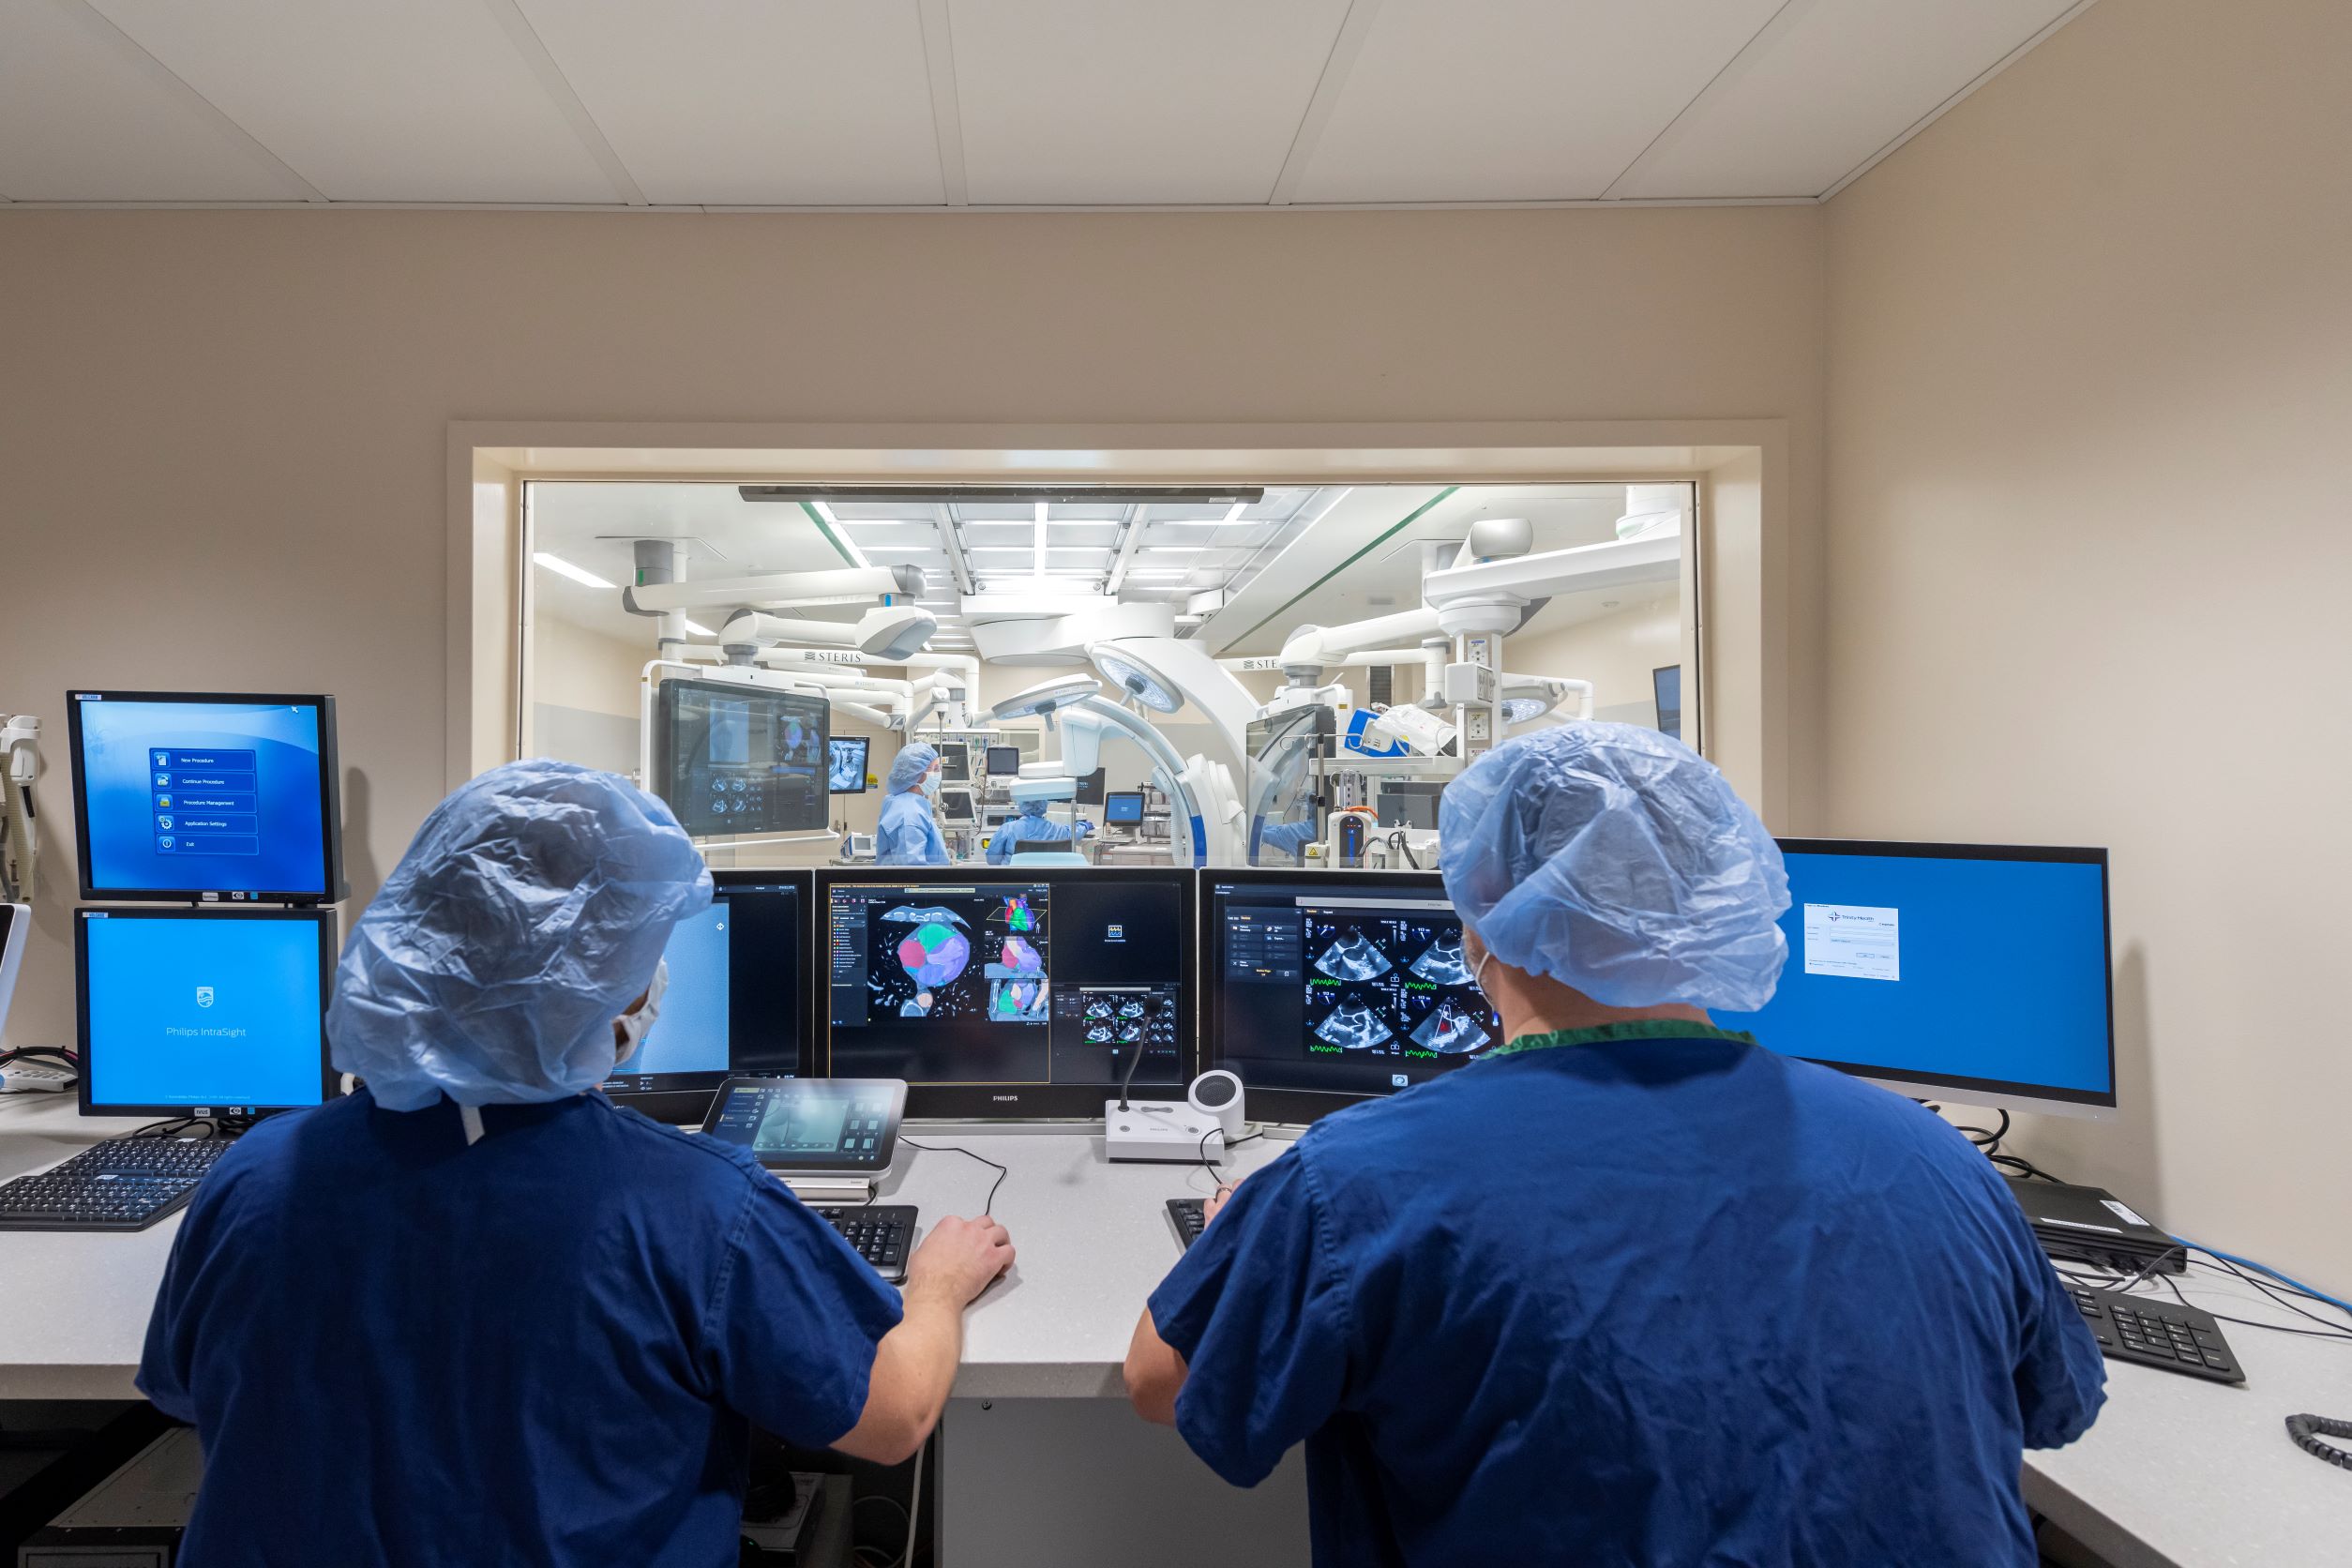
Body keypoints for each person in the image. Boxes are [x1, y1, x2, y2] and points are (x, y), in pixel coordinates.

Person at [1125, 724, 2104, 1568]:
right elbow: (2054, 1409)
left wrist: (1241, 1235)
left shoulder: (1359, 1182)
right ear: (1715, 893)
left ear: (1480, 911)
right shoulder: (1937, 1163)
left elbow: (1162, 1384)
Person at [140, 761, 1014, 1567]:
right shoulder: (697, 1205)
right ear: (605, 986)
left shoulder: (255, 1175)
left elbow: (185, 1396)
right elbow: (893, 1418)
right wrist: (935, 1284)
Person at [875, 742, 950, 866]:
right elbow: (912, 873)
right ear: (919, 775)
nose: (939, 774)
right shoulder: (910, 815)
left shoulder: (905, 804)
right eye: (935, 769)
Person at [986, 795, 1093, 864]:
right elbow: (1074, 834)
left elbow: (992, 859)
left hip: (1014, 881)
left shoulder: (1008, 828)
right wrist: (1085, 826)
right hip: (1047, 881)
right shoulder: (1057, 829)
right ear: (1044, 805)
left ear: (1021, 804)